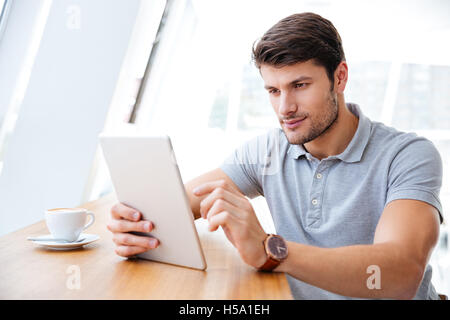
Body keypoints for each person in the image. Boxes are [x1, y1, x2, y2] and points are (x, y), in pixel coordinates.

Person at [106, 12, 444, 300]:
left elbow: (401, 273)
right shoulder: (268, 150)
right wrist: (134, 224)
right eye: (273, 90)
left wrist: (271, 249)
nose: (285, 108)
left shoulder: (408, 155)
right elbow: (176, 207)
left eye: (300, 85)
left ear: (339, 77)